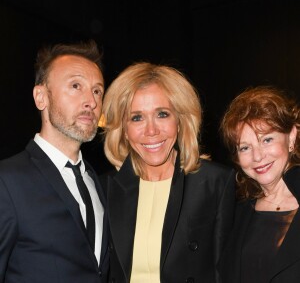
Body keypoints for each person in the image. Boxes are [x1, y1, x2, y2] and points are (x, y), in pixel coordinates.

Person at [101, 62, 235, 283]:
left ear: (180, 121)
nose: (151, 130)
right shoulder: (105, 187)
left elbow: (225, 274)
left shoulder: (215, 183)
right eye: (137, 118)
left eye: (162, 114)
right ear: (123, 129)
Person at [0, 40, 109, 282]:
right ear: (41, 97)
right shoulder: (7, 182)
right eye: (75, 85)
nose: (91, 101)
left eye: (97, 90)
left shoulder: (96, 181)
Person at [219, 86, 300, 282]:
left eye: (267, 140)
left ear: (291, 136)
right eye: (245, 147)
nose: (257, 156)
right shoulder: (234, 213)